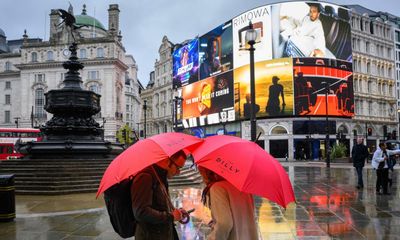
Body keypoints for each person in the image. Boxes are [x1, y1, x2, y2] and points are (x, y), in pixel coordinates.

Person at [131, 151, 188, 240]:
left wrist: (176, 212)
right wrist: (171, 217)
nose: (178, 172)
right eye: (178, 167)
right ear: (167, 161)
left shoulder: (160, 177)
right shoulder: (145, 177)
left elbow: (159, 205)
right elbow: (141, 212)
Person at [198, 166, 258, 240]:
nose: (202, 178)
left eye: (202, 173)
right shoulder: (242, 186)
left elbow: (224, 224)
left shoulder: (217, 188)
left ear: (208, 173)